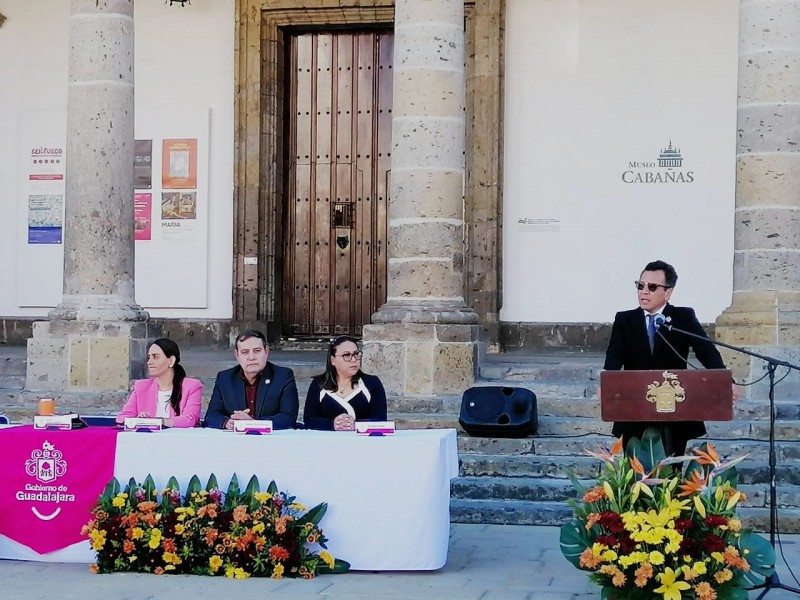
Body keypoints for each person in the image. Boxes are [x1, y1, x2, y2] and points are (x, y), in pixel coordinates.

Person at [603, 260, 731, 456]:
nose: (644, 291)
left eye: (652, 287)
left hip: (673, 408)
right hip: (635, 405)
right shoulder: (625, 320)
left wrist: (725, 380)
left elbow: (705, 350)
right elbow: (614, 355)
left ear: (668, 293)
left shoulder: (682, 317)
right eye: (640, 285)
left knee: (671, 471)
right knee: (636, 472)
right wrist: (607, 384)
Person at [204, 329, 299, 430]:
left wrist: (253, 423)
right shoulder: (225, 378)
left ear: (266, 352)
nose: (251, 357)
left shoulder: (283, 376)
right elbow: (211, 415)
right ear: (237, 355)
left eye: (257, 351)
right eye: (245, 352)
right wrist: (227, 422)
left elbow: (288, 417)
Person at [303, 335, 387, 431]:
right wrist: (333, 424)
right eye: (346, 355)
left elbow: (380, 420)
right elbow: (309, 420)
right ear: (333, 360)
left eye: (356, 354)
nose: (354, 360)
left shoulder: (372, 383)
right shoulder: (319, 384)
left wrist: (356, 424)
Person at [116, 338, 202, 428]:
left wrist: (156, 422)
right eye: (149, 357)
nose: (149, 362)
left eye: (155, 357)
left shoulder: (192, 386)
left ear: (171, 361)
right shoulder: (141, 386)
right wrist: (139, 420)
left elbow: (189, 419)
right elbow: (121, 418)